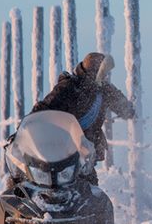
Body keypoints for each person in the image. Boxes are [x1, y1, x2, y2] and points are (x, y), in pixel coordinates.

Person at [30, 52, 135, 183]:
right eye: (104, 72)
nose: (106, 75)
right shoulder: (69, 87)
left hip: (86, 153)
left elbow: (124, 108)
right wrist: (23, 130)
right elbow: (42, 109)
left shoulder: (104, 89)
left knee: (90, 191)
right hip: (60, 148)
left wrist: (128, 109)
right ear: (94, 72)